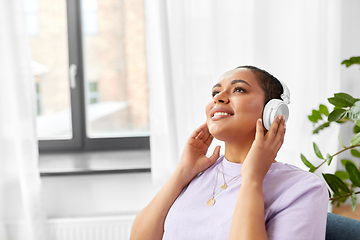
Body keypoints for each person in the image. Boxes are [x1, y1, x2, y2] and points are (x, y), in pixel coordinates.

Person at [130, 66, 328, 240]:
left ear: (273, 112)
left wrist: (252, 178)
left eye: (239, 89)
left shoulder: (304, 189)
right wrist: (183, 171)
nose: (218, 98)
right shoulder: (194, 175)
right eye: (215, 92)